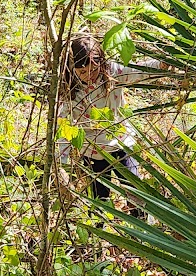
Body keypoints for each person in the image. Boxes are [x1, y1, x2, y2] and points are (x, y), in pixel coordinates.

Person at [55, 33, 156, 200]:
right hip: (92, 151)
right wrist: (62, 165)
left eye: (94, 69)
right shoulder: (70, 92)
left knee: (136, 193)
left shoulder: (112, 72)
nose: (89, 75)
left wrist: (161, 65)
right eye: (82, 71)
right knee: (100, 200)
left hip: (122, 143)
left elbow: (137, 71)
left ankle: (143, 222)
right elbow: (64, 127)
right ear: (73, 69)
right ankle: (98, 225)